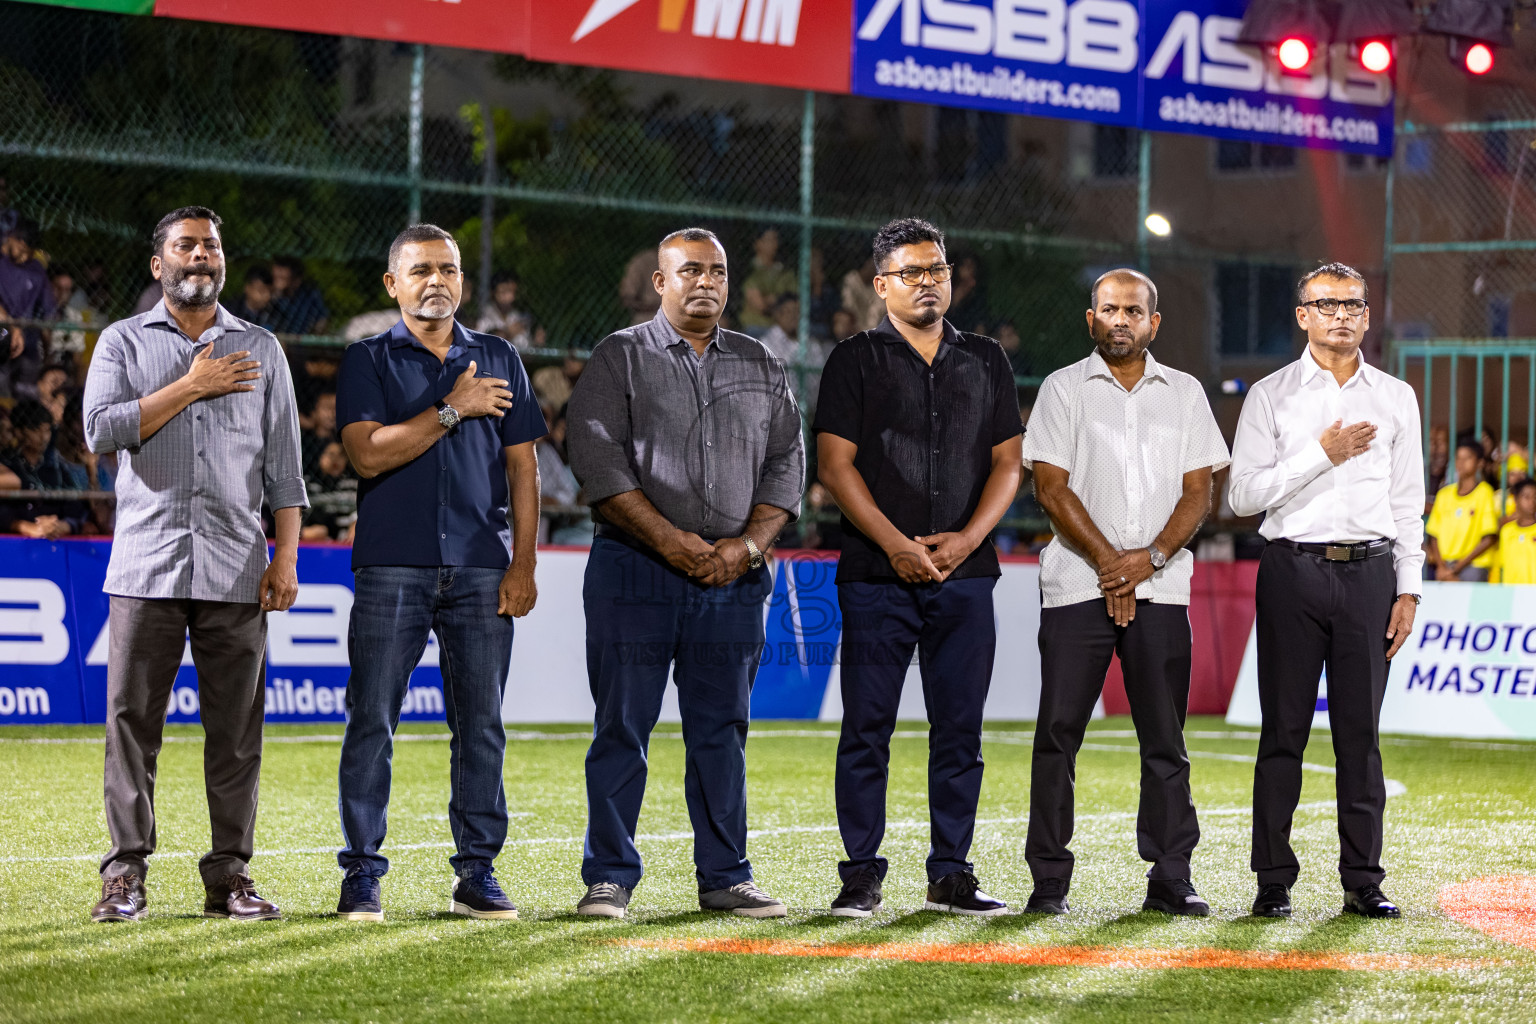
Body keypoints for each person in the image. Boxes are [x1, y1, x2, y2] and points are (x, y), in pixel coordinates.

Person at [566, 226, 804, 920]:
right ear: (660, 283)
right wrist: (671, 542)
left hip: (733, 578)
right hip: (634, 569)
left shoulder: (762, 363)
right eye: (691, 270)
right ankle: (609, 877)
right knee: (622, 727)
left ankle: (726, 877)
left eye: (717, 272)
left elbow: (787, 466)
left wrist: (746, 549)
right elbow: (598, 462)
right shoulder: (619, 356)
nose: (706, 282)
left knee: (722, 730)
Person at [81, 205, 307, 923]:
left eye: (210, 246)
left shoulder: (262, 348)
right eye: (186, 246)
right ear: (160, 265)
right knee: (131, 726)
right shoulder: (122, 341)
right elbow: (99, 430)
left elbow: (285, 469)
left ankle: (230, 877)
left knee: (236, 734)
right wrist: (191, 385)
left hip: (238, 567)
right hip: (145, 567)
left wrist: (286, 558)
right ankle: (125, 874)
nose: (200, 256)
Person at [334, 223, 544, 923]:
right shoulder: (367, 358)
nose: (437, 281)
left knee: (482, 726)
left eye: (448, 269)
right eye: (421, 269)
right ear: (392, 283)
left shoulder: (500, 356)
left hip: (483, 567)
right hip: (392, 564)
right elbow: (368, 454)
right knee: (372, 721)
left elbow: (523, 466)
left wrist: (523, 562)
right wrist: (454, 408)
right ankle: (362, 874)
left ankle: (476, 874)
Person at [814, 218, 1022, 919]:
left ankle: (950, 874)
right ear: (881, 285)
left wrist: (968, 539)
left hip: (966, 577)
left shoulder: (987, 358)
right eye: (912, 272)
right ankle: (860, 875)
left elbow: (1009, 463)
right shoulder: (853, 359)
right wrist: (895, 544)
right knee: (866, 730)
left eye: (937, 270)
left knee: (960, 731)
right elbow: (835, 466)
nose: (928, 282)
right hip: (876, 576)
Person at [1020, 269, 1230, 918]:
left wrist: (1151, 558)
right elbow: (1050, 488)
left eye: (1133, 311)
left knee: (1165, 741)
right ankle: (1048, 883)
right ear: (1091, 319)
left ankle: (1170, 878)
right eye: (1109, 309)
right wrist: (1114, 566)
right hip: (1076, 587)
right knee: (1058, 737)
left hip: (1161, 589)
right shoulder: (1062, 389)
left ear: (1153, 323)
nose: (1120, 320)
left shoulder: (1186, 393)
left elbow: (1200, 492)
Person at [1228, 262, 1424, 920]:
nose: (1341, 314)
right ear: (1302, 315)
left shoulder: (1396, 397)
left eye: (1352, 304)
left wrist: (1408, 588)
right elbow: (1243, 495)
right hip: (1292, 572)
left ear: (1368, 316)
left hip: (1371, 576)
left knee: (1359, 737)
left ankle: (1363, 881)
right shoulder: (1270, 396)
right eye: (1326, 303)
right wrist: (1322, 453)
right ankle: (1272, 881)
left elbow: (1408, 503)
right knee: (1282, 733)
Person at [0, 398, 86, 537]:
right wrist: (22, 526)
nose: (44, 437)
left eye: (47, 431)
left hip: (55, 533)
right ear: (19, 432)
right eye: (36, 431)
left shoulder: (56, 467)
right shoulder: (7, 464)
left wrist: (63, 525)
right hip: (13, 538)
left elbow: (74, 505)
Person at [1425, 439, 1499, 582]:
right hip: (1444, 565)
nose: (1461, 462)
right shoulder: (1444, 494)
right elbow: (1433, 535)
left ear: (1480, 463)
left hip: (1473, 566)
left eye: (1467, 458)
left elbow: (1489, 537)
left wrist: (1456, 568)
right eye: (1458, 458)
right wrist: (1441, 567)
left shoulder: (1485, 493)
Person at [0, 217, 54, 398]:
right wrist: (12, 327)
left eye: (29, 253)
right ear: (12, 238)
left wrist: (48, 353)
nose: (25, 257)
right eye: (22, 250)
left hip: (28, 345)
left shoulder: (36, 270)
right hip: (4, 337)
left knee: (26, 395)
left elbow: (47, 313)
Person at [739, 227, 796, 335]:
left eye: (775, 239)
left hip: (783, 329)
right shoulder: (747, 270)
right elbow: (761, 306)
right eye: (769, 240)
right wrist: (780, 301)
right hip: (756, 327)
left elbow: (794, 299)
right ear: (757, 244)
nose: (774, 244)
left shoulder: (785, 271)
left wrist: (771, 300)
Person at [301, 440, 358, 542]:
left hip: (343, 539)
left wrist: (356, 523)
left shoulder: (351, 485)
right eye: (331, 454)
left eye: (341, 455)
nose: (335, 460)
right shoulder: (308, 484)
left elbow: (357, 512)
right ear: (321, 456)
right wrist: (304, 533)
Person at [475, 271, 543, 351]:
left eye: (511, 291)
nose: (509, 297)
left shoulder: (521, 318)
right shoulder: (484, 319)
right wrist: (508, 334)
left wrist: (537, 344)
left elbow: (526, 348)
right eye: (503, 292)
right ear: (493, 293)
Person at [270, 256, 328, 335]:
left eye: (284, 268)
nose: (279, 272)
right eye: (277, 266)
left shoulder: (309, 294)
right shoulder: (267, 293)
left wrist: (313, 335)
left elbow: (321, 320)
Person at [1496, 479, 1536, 584]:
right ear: (1516, 499)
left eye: (1535, 497)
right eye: (1526, 497)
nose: (1532, 501)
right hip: (1511, 590)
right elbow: (1501, 563)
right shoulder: (1506, 530)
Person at [617, 246, 662, 326]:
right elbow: (627, 298)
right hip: (647, 321)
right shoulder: (643, 261)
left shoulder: (680, 260)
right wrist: (656, 306)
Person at [228, 265, 277, 329]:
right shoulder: (230, 311)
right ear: (247, 288)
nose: (267, 296)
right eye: (261, 291)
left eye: (270, 292)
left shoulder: (274, 312)